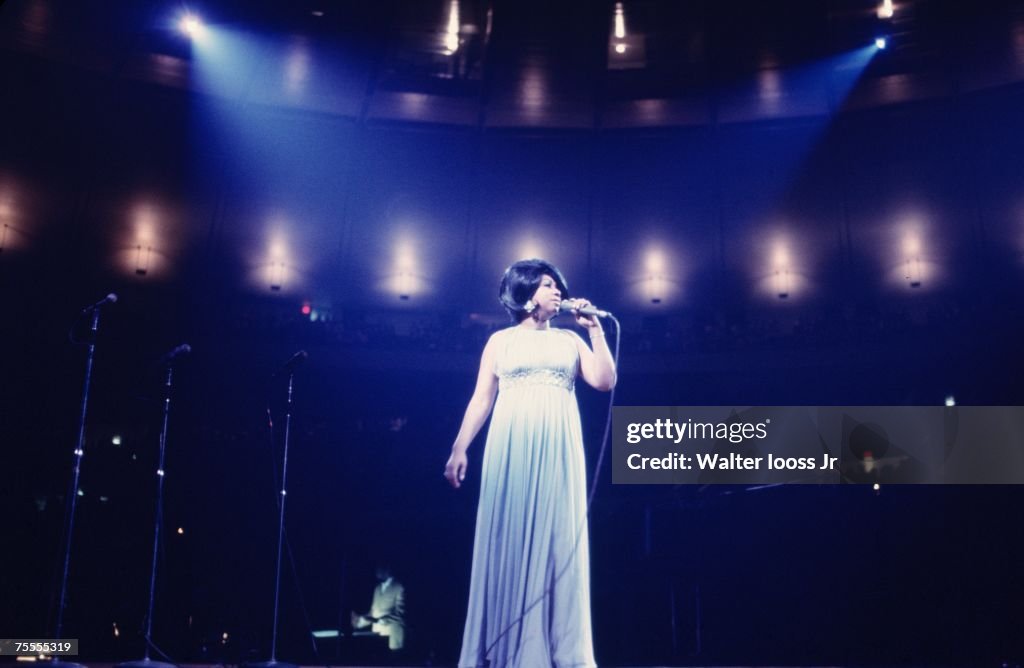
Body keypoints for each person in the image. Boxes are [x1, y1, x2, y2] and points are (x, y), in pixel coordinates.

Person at [444, 258, 616, 668]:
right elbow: (482, 398)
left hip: (558, 445)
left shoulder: (569, 341)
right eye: (546, 285)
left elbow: (605, 380)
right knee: (510, 531)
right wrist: (459, 447)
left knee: (557, 539)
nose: (557, 291)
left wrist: (595, 332)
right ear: (524, 294)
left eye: (558, 285)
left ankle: (558, 650)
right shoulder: (500, 342)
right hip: (512, 444)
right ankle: (505, 647)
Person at [350, 565, 406, 651]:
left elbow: (400, 614)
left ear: (388, 570)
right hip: (377, 638)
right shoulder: (377, 588)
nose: (376, 572)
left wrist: (378, 620)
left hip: (393, 640)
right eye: (376, 570)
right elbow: (373, 613)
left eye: (379, 569)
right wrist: (359, 622)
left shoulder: (399, 587)